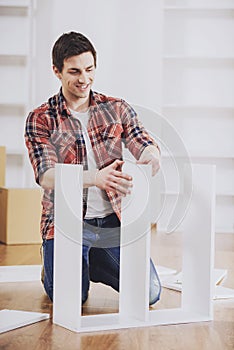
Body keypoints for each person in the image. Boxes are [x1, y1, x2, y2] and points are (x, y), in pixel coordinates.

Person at [25, 31, 161, 306]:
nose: (84, 79)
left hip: (112, 222)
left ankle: (95, 261)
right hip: (67, 224)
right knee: (71, 300)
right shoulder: (41, 118)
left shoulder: (116, 108)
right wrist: (95, 178)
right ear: (57, 71)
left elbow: (141, 139)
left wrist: (151, 154)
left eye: (89, 69)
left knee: (150, 292)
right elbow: (47, 176)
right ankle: (61, 264)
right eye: (74, 71)